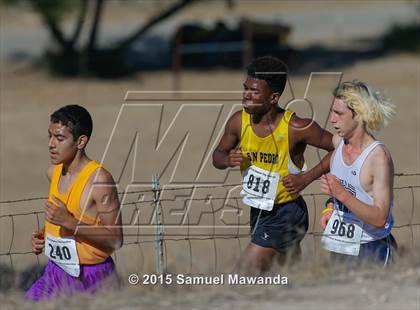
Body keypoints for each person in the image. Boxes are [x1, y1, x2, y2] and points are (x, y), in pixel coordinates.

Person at [212, 56, 334, 274]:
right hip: (259, 210)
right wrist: (227, 160)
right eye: (245, 88)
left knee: (244, 273)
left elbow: (340, 149)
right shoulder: (238, 121)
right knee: (285, 273)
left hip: (286, 211)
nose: (246, 95)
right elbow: (217, 155)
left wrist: (305, 179)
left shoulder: (297, 127)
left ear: (273, 97)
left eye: (254, 91)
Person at [26, 105, 123, 301]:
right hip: (54, 271)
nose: (51, 144)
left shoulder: (100, 180)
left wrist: (70, 222)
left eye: (60, 138)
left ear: (81, 141)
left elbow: (116, 239)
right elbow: (65, 215)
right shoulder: (53, 172)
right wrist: (45, 235)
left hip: (90, 277)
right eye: (50, 136)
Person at [319, 80, 396, 266]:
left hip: (372, 249)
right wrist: (330, 207)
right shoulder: (338, 142)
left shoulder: (378, 158)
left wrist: (341, 194)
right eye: (332, 111)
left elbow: (379, 218)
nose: (332, 119)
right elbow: (348, 189)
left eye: (339, 113)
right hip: (340, 245)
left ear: (359, 115)